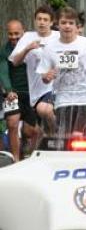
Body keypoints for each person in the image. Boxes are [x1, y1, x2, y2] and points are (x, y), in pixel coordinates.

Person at [37, 7, 86, 135]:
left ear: (76, 25)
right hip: (64, 98)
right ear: (57, 25)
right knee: (67, 136)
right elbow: (44, 78)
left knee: (77, 134)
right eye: (63, 23)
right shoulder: (50, 48)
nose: (67, 26)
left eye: (70, 23)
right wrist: (47, 76)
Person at [9, 5, 59, 131]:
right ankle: (53, 136)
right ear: (35, 20)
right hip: (36, 90)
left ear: (51, 22)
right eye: (39, 19)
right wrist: (27, 49)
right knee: (37, 128)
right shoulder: (27, 37)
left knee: (45, 110)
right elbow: (15, 62)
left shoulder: (59, 36)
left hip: (56, 87)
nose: (42, 22)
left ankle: (58, 133)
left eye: (45, 20)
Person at [0, 20, 39, 161]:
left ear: (23, 32)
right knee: (12, 123)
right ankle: (15, 159)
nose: (13, 37)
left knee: (31, 131)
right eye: (10, 34)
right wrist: (8, 90)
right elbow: (3, 72)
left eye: (16, 33)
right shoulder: (4, 50)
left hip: (30, 94)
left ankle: (25, 145)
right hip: (13, 94)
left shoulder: (33, 47)